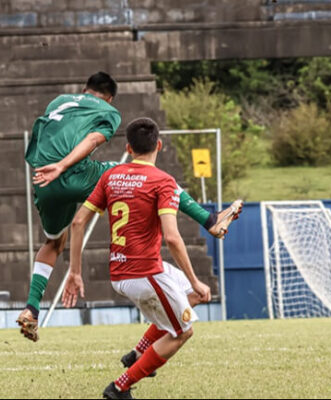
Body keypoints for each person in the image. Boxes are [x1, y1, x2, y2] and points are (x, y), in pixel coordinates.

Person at [18, 71, 242, 342]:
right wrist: (64, 166)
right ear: (109, 98)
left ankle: (31, 308)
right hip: (71, 172)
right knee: (139, 174)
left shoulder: (59, 102)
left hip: (43, 179)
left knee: (53, 243)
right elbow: (91, 141)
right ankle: (210, 220)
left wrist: (54, 168)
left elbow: (44, 133)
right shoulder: (109, 111)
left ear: (84, 89)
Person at [62, 118, 213, 399]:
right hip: (145, 274)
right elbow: (172, 237)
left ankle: (138, 353)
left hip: (120, 273)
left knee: (192, 295)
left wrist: (75, 271)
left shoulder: (110, 176)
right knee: (183, 332)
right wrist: (196, 278)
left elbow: (77, 223)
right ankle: (120, 386)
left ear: (128, 148)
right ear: (159, 145)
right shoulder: (163, 182)